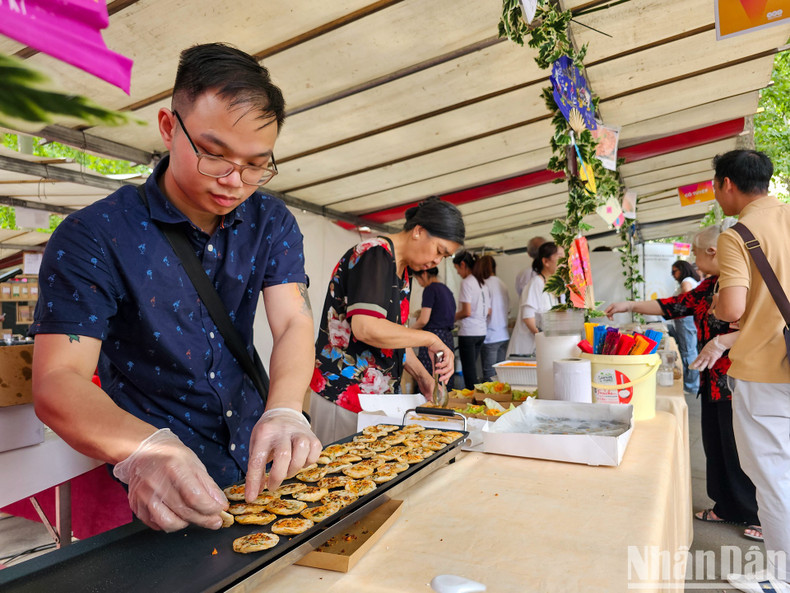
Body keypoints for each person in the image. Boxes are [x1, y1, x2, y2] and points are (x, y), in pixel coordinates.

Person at [30, 43, 322, 533]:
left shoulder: (270, 221)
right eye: (214, 154)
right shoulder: (95, 235)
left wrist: (286, 409)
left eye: (256, 164)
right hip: (157, 483)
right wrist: (147, 450)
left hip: (258, 463)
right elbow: (59, 379)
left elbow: (293, 319)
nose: (234, 180)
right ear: (169, 127)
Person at [605, 223, 760, 541]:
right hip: (711, 380)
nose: (691, 256)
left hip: (738, 380)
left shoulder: (743, 283)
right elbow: (672, 306)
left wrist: (720, 344)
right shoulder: (710, 285)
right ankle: (726, 506)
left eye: (694, 251)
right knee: (715, 446)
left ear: (713, 252)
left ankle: (759, 514)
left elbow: (760, 327)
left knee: (741, 450)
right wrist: (631, 305)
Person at [310, 198, 463, 443]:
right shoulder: (374, 253)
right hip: (343, 392)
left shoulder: (401, 269)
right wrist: (430, 339)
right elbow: (367, 328)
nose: (437, 261)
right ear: (419, 231)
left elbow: (393, 335)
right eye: (439, 251)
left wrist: (424, 376)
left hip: (374, 399)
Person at [713, 149, 790, 585]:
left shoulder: (737, 234)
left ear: (728, 183)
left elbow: (733, 308)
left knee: (774, 478)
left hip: (765, 372)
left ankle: (782, 577)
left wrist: (723, 307)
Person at [507, 241, 564, 357]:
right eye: (560, 257)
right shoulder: (535, 284)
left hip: (545, 347)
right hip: (528, 349)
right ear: (545, 261)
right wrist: (546, 340)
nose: (564, 261)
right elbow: (528, 319)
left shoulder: (555, 285)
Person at [411, 267, 456, 389]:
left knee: (431, 377)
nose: (419, 283)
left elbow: (423, 320)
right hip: (447, 337)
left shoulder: (430, 289)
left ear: (424, 274)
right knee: (445, 375)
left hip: (433, 337)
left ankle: (430, 405)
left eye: (417, 279)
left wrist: (408, 330)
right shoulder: (445, 289)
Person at [453, 251, 491, 390]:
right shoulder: (482, 283)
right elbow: (488, 311)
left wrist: (450, 317)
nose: (457, 273)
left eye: (457, 268)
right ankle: (476, 398)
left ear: (463, 264)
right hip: (481, 331)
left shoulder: (467, 282)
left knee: (469, 374)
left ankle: (472, 401)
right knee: (473, 370)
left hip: (469, 332)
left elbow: (466, 312)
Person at [670, 259, 701, 395]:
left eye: (674, 271)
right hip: (687, 320)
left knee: (688, 350)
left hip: (685, 319)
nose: (673, 274)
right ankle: (692, 383)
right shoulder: (692, 280)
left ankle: (691, 385)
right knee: (690, 349)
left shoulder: (686, 282)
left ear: (682, 269)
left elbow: (687, 297)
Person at [478, 255, 510, 381]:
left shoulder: (483, 285)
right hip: (504, 335)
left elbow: (485, 311)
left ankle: (488, 400)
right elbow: (507, 309)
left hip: (490, 336)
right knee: (501, 376)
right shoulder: (503, 284)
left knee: (489, 375)